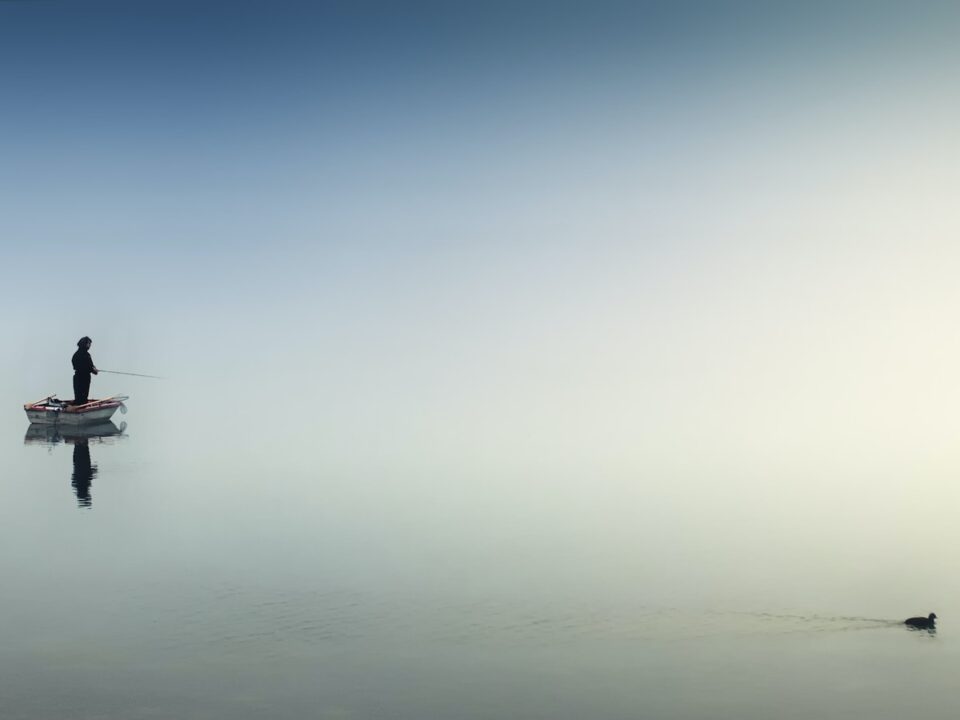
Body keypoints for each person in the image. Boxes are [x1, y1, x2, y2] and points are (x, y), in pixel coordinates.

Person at [72, 336, 99, 405]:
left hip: (77, 377)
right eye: (89, 344)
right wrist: (94, 370)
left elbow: (77, 365)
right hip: (84, 378)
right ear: (85, 344)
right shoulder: (86, 355)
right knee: (83, 397)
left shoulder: (75, 355)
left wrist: (93, 368)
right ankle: (80, 410)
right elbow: (90, 367)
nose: (90, 346)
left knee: (78, 396)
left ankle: (78, 406)